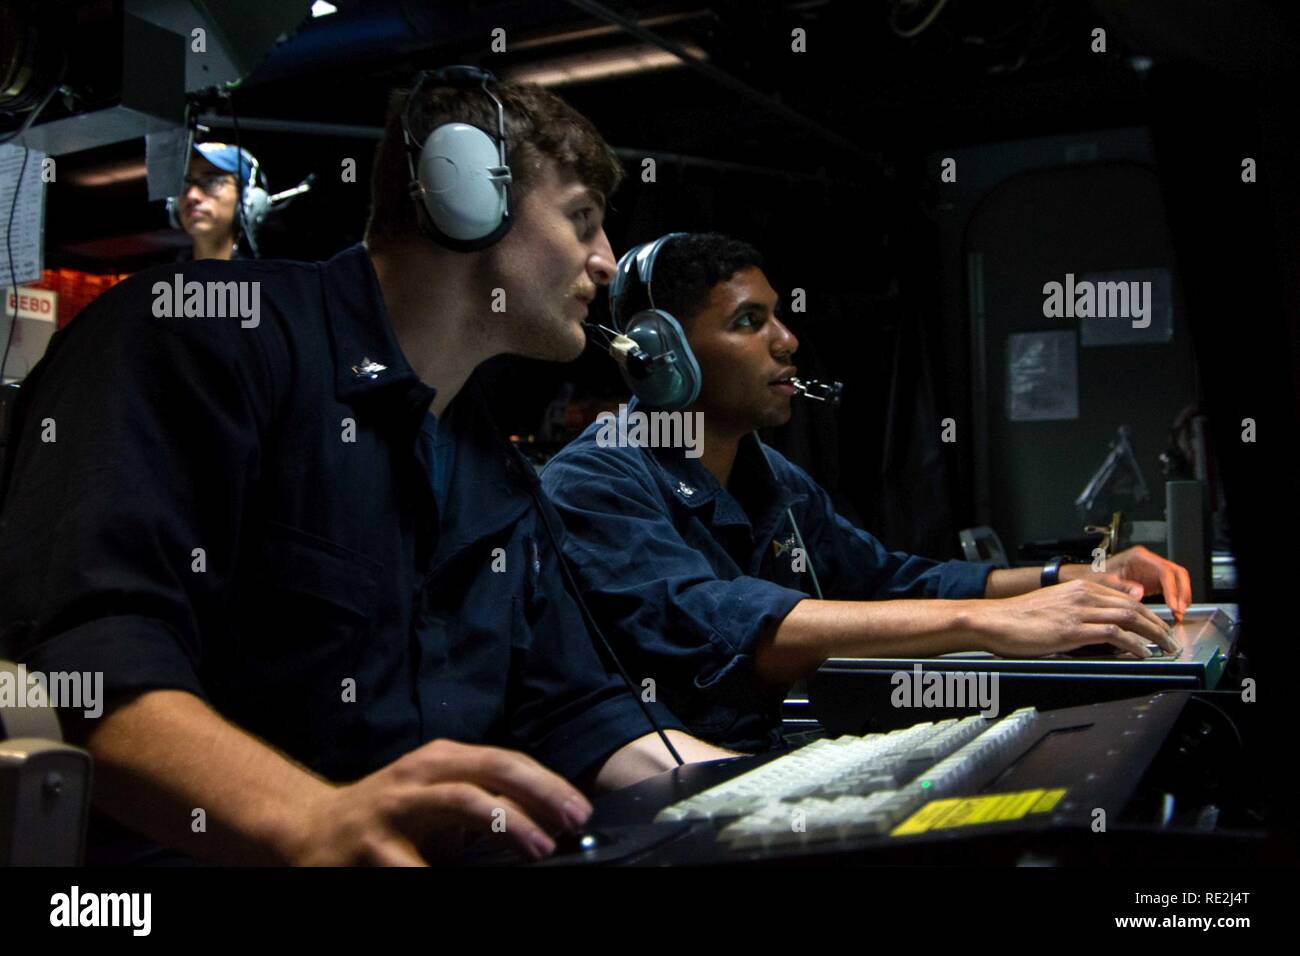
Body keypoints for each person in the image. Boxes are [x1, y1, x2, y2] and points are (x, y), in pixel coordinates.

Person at [0, 73, 732, 866]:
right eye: (583, 218)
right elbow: (88, 663)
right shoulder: (199, 339)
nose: (604, 262)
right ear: (464, 197)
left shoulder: (496, 471)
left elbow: (575, 710)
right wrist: (313, 819)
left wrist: (768, 793)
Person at [540, 232, 1191, 752]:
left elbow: (895, 582)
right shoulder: (596, 481)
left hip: (765, 752)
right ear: (661, 356)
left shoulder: (773, 479)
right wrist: (990, 623)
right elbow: (726, 624)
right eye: (748, 321)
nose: (788, 342)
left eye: (778, 318)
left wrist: (1075, 575)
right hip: (666, 786)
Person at [168, 142, 266, 261]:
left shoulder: (265, 278)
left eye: (211, 182)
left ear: (246, 200)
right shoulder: (163, 277)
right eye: (184, 185)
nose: (192, 196)